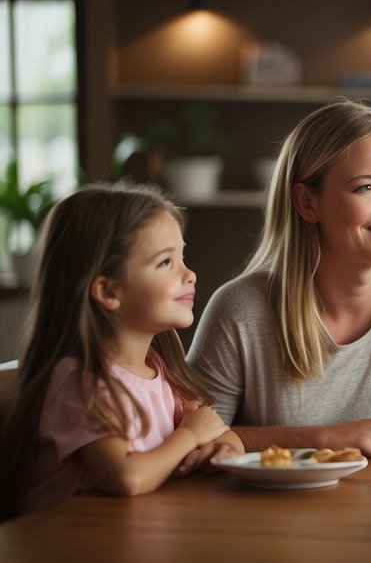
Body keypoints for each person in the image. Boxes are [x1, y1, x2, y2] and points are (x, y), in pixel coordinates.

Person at [188, 99, 371, 456]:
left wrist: (262, 440)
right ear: (307, 203)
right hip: (264, 509)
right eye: (367, 187)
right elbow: (195, 440)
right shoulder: (241, 308)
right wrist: (332, 440)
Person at [0, 183, 240, 521]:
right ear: (108, 290)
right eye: (166, 262)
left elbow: (215, 428)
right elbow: (126, 478)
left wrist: (224, 447)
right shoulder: (81, 382)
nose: (190, 274)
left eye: (182, 257)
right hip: (64, 557)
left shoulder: (161, 369)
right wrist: (190, 436)